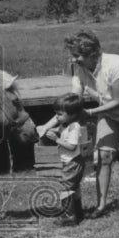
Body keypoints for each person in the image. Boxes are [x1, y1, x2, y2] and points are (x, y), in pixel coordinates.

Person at [38, 30, 119, 226]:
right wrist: (46, 126)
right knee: (103, 157)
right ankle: (101, 206)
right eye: (72, 55)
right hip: (110, 112)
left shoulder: (115, 65)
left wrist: (90, 114)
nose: (74, 60)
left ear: (93, 53)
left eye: (77, 56)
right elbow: (72, 103)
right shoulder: (80, 69)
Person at [42, 93, 87, 226]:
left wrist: (57, 140)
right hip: (72, 162)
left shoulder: (74, 127)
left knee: (65, 189)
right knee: (74, 187)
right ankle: (78, 213)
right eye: (56, 113)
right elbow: (63, 133)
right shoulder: (66, 124)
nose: (56, 117)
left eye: (60, 114)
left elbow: (72, 146)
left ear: (72, 114)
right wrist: (54, 132)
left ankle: (68, 217)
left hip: (72, 162)